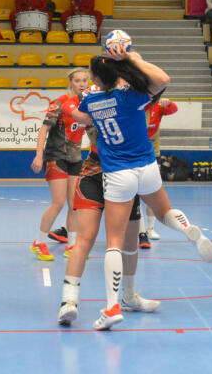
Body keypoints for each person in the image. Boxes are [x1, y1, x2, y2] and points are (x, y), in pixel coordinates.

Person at [67, 47, 212, 330]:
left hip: (118, 173)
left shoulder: (92, 101)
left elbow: (77, 113)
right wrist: (132, 58)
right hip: (147, 167)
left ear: (96, 79)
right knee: (164, 212)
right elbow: (162, 79)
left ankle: (112, 307)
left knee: (114, 241)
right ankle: (186, 227)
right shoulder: (132, 96)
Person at [58, 111, 161, 326]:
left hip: (124, 174)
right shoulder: (94, 102)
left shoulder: (132, 101)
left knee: (130, 243)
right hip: (94, 174)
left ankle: (129, 297)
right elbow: (75, 115)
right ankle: (68, 302)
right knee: (85, 239)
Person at [30, 68, 89, 260]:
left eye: (85, 80)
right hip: (56, 157)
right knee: (58, 203)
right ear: (70, 83)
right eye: (77, 80)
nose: (81, 84)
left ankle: (72, 246)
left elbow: (90, 131)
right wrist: (39, 155)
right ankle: (39, 242)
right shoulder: (59, 103)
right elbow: (43, 130)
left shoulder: (87, 106)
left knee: (74, 205)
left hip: (75, 159)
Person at [138, 97, 179, 248]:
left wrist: (169, 103)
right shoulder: (137, 105)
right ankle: (139, 231)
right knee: (134, 195)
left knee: (152, 192)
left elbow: (174, 109)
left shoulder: (158, 106)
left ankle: (150, 229)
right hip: (135, 152)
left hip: (152, 153)